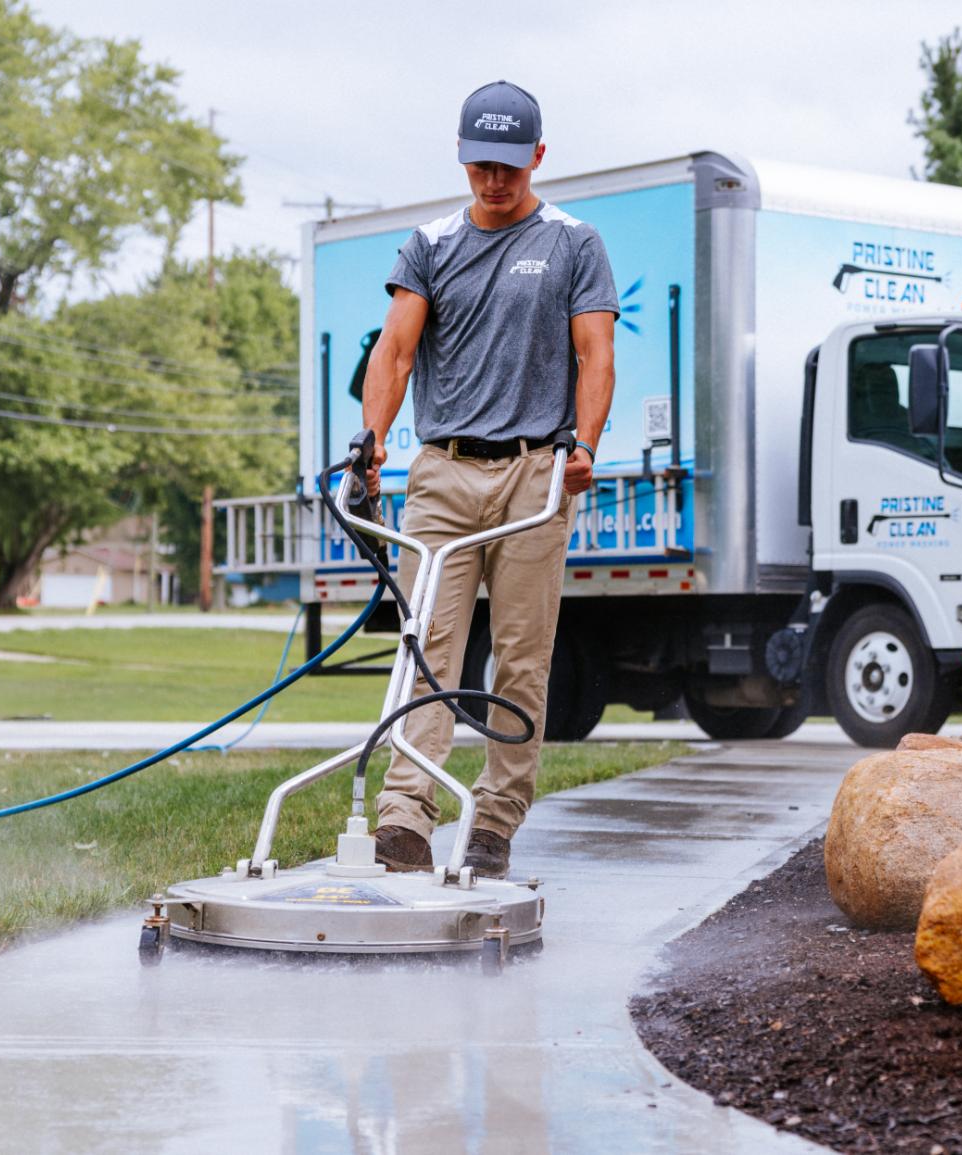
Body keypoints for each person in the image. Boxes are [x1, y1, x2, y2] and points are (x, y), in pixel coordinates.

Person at [358, 79, 617, 878]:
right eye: (481, 165)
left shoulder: (574, 242)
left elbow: (594, 354)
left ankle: (496, 821)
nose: (494, 181)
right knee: (428, 644)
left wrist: (586, 444)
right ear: (463, 157)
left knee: (520, 656)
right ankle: (405, 813)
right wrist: (370, 444)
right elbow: (396, 351)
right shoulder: (430, 244)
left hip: (535, 473)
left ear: (537, 157)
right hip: (441, 472)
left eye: (509, 165)